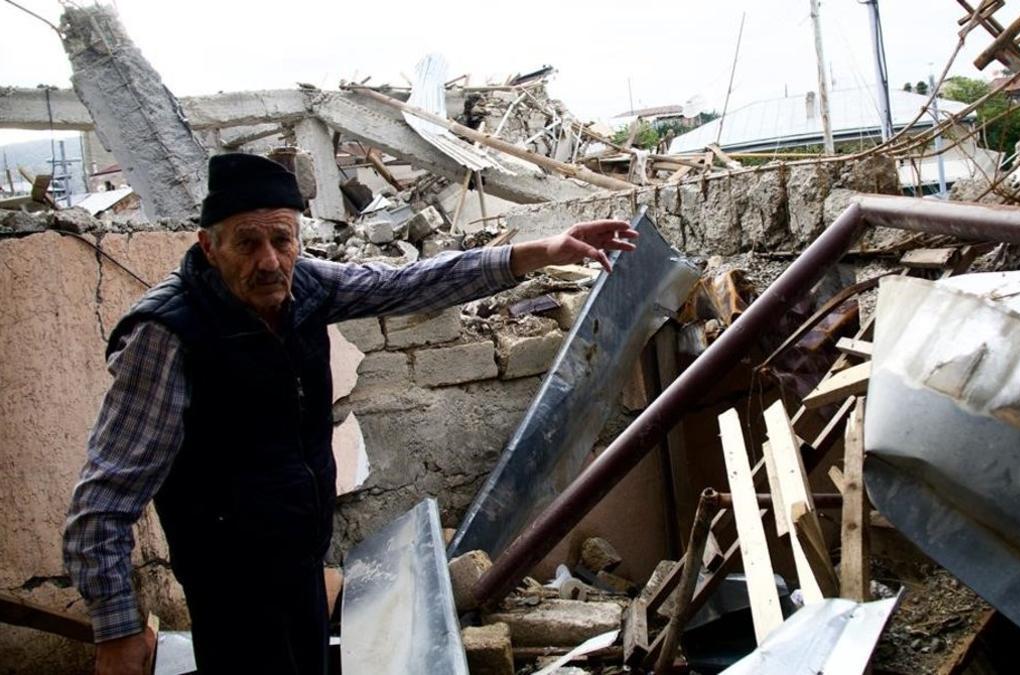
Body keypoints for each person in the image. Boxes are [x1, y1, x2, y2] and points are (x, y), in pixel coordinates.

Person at [62, 153, 638, 674]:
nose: (269, 262)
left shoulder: (306, 284)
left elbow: (411, 282)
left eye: (282, 240)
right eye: (247, 243)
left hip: (302, 564)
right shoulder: (167, 336)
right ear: (208, 247)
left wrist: (539, 251)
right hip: (230, 588)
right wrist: (116, 631)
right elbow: (105, 500)